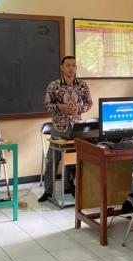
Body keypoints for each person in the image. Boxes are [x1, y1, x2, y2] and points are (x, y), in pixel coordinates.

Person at [39, 56, 93, 202]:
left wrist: (79, 109)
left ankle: (70, 187)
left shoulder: (82, 85)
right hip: (59, 128)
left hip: (76, 128)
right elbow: (47, 105)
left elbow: (89, 103)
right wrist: (60, 107)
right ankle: (48, 191)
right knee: (52, 159)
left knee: (74, 158)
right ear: (62, 68)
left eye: (74, 65)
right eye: (68, 65)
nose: (71, 68)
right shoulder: (54, 85)